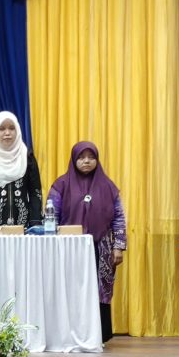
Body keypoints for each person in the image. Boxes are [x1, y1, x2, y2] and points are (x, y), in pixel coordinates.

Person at [48, 141, 126, 343]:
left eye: (91, 157)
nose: (86, 161)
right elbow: (51, 216)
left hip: (101, 246)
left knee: (98, 290)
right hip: (69, 247)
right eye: (82, 157)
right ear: (74, 159)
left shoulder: (108, 186)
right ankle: (69, 334)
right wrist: (52, 244)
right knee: (71, 288)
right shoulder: (61, 185)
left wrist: (118, 246)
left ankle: (99, 335)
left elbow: (118, 217)